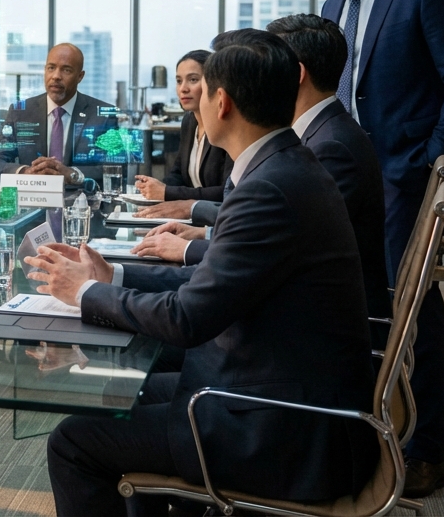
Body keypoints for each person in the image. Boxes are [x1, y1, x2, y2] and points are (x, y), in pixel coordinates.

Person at [26, 31, 377, 516]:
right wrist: (112, 277)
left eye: (202, 88)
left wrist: (84, 292)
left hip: (281, 427)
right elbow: (210, 280)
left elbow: (188, 318)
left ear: (223, 102)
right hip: (272, 384)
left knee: (72, 443)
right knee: (120, 392)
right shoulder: (282, 166)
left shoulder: (268, 187)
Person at [315, 0, 444, 496]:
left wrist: (434, 158)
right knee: (356, 301)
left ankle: (427, 447)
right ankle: (369, 427)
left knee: (412, 309)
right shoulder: (333, 6)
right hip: (345, 176)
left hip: (406, 177)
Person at [135, 18, 393, 327]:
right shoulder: (318, 133)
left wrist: (191, 246)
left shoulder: (330, 146)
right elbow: (276, 230)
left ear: (293, 73)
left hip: (304, 323)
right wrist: (204, 232)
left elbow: (277, 245)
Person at [0, 43, 117, 186]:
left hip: (82, 198)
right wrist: (26, 172)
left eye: (66, 70)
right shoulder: (20, 112)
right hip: (32, 197)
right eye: (51, 68)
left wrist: (72, 174)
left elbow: (115, 169)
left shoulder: (103, 115)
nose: (56, 76)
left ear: (80, 76)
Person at [133, 49, 231, 215]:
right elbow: (178, 173)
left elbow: (227, 191)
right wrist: (154, 187)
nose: (183, 89)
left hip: (216, 218)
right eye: (179, 81)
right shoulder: (189, 121)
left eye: (193, 80)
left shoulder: (225, 124)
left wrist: (167, 192)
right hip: (190, 217)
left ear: (212, 84)